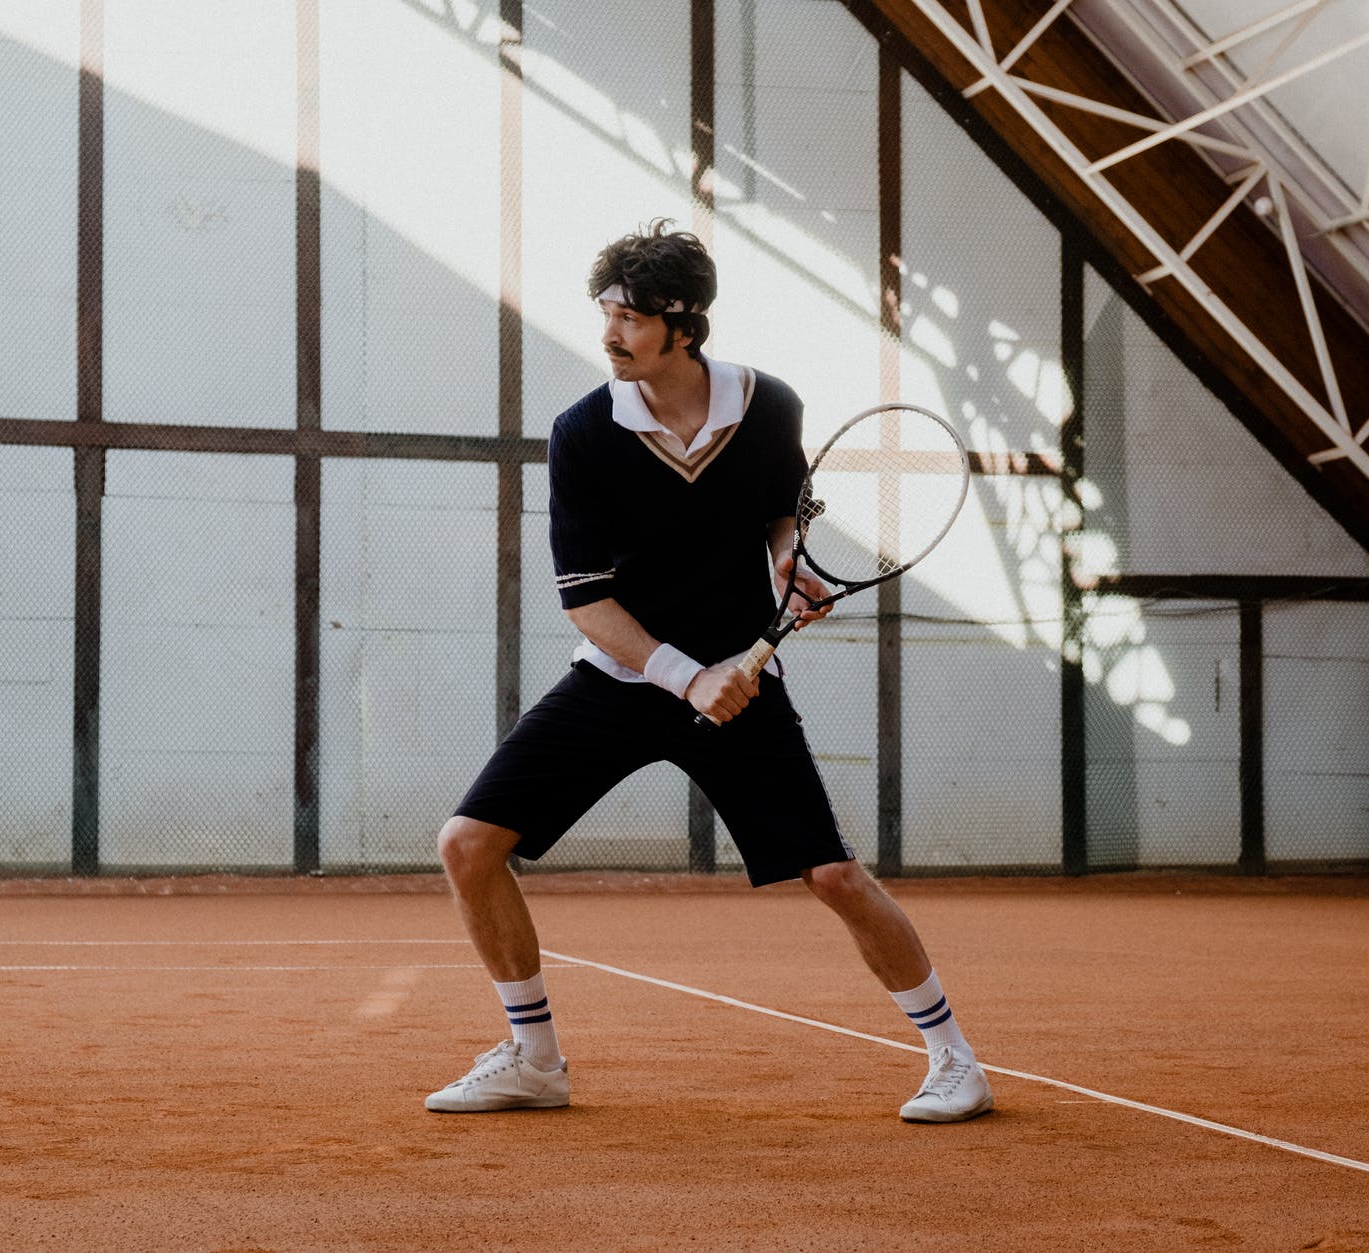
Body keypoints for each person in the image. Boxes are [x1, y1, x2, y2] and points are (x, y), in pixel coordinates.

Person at [424, 220, 992, 1124]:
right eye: (605, 311)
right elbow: (586, 602)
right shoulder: (583, 433)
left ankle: (955, 1058)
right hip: (623, 680)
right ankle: (534, 1059)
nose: (610, 332)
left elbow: (778, 517)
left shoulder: (770, 409)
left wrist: (790, 564)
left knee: (836, 876)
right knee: (468, 845)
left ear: (684, 325)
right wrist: (689, 675)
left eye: (630, 316)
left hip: (740, 690)